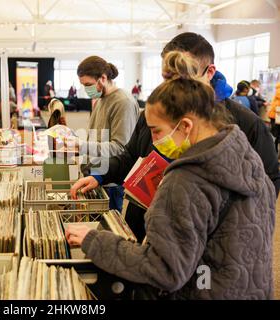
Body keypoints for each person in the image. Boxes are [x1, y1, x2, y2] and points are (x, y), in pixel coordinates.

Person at [66, 51, 275, 300]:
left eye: (156, 131)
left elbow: (165, 269)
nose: (154, 141)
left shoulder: (185, 180)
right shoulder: (248, 158)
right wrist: (101, 175)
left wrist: (95, 240)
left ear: (186, 125)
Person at [71, 32, 280, 242]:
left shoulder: (243, 124)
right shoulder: (153, 114)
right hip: (145, 227)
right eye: (166, 77)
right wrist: (99, 175)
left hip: (202, 240)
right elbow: (130, 155)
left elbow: (267, 185)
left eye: (182, 75)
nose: (172, 86)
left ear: (209, 72)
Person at [74, 56, 140, 212]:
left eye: (89, 85)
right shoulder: (101, 99)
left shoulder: (123, 103)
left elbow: (121, 148)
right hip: (95, 177)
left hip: (111, 184)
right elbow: (97, 138)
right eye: (83, 85)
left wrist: (82, 146)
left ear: (103, 78)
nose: (87, 90)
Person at [267, 83, 280, 151]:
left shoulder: (277, 89)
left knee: (275, 134)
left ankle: (273, 150)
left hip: (274, 115)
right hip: (276, 116)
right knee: (276, 134)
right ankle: (274, 150)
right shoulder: (279, 91)